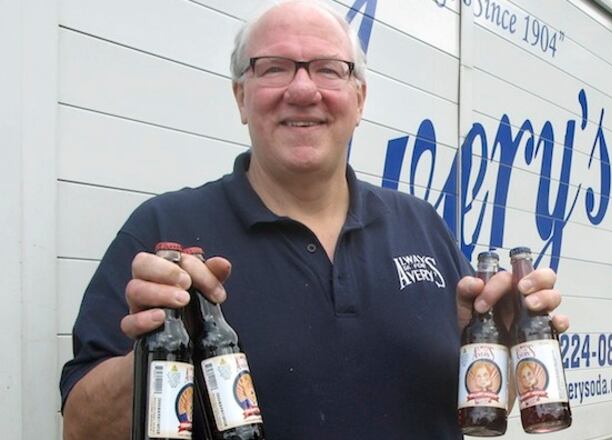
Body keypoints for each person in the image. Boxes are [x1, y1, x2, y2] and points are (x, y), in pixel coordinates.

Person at [59, 1, 568, 439]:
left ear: (359, 99)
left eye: (328, 69)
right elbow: (79, 426)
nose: (303, 90)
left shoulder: (423, 225)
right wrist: (161, 349)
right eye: (275, 67)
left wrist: (495, 333)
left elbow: (475, 392)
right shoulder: (163, 232)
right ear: (241, 96)